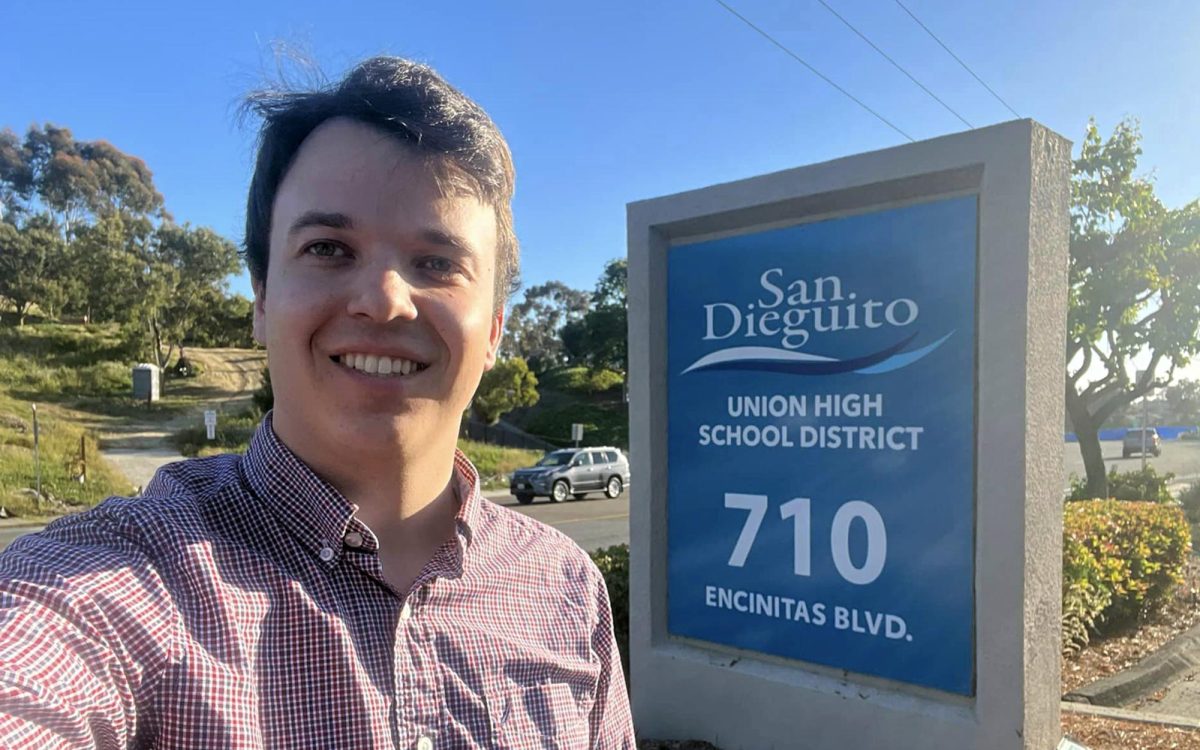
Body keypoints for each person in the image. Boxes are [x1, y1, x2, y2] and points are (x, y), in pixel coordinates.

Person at [0, 56, 635, 749]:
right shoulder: (116, 581)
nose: (386, 300)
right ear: (263, 299)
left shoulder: (566, 587)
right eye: (329, 248)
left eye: (437, 264)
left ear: (492, 331)